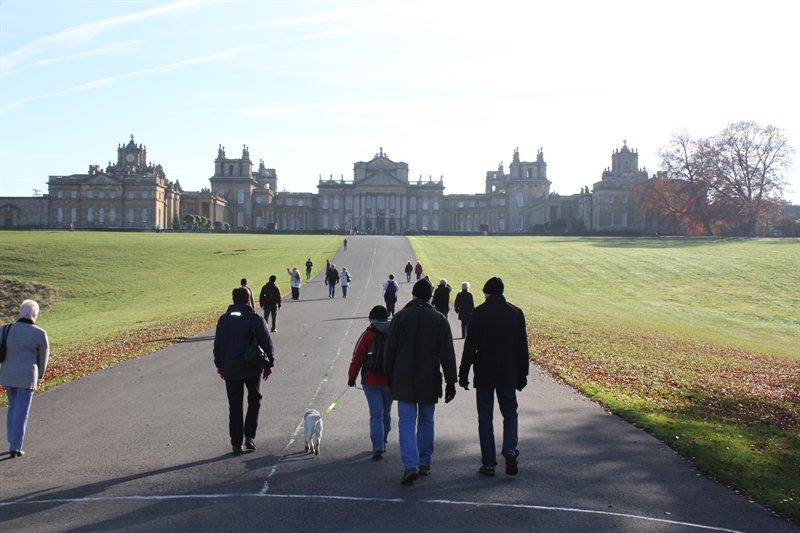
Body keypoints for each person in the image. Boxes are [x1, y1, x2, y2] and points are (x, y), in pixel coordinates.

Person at [385, 279, 457, 485]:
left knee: (406, 423)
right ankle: (424, 462)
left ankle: (411, 464)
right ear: (430, 297)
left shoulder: (400, 318)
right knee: (427, 421)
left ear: (413, 295)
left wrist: (388, 377)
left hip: (404, 379)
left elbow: (390, 352)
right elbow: (447, 355)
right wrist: (451, 382)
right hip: (429, 379)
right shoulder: (439, 319)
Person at [458, 277, 529, 477]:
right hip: (508, 372)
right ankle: (509, 449)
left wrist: (463, 374)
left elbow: (470, 347)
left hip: (485, 372)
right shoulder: (515, 313)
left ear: (487, 293)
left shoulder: (478, 313)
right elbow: (522, 347)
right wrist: (523, 374)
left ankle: (489, 462)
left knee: (485, 417)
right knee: (510, 413)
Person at [214, 287, 274, 454]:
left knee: (235, 405)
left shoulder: (224, 320)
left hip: (231, 368)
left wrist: (219, 365)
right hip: (252, 366)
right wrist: (269, 364)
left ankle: (236, 443)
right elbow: (266, 342)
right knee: (254, 399)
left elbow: (218, 345)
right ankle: (249, 437)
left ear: (233, 300)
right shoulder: (255, 318)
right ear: (248, 300)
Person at [0, 300, 50, 458]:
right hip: (27, 375)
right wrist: (41, 374)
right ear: (35, 314)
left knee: (13, 407)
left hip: (7, 373)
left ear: (20, 312)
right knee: (22, 410)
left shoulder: (5, 329)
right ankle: (16, 446)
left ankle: (11, 440)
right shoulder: (39, 333)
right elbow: (43, 358)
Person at [347, 305, 393, 460]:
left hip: (371, 381)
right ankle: (384, 440)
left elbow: (357, 357)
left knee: (375, 415)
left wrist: (351, 377)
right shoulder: (394, 332)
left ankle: (377, 447)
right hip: (390, 381)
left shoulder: (367, 334)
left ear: (372, 318)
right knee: (386, 412)